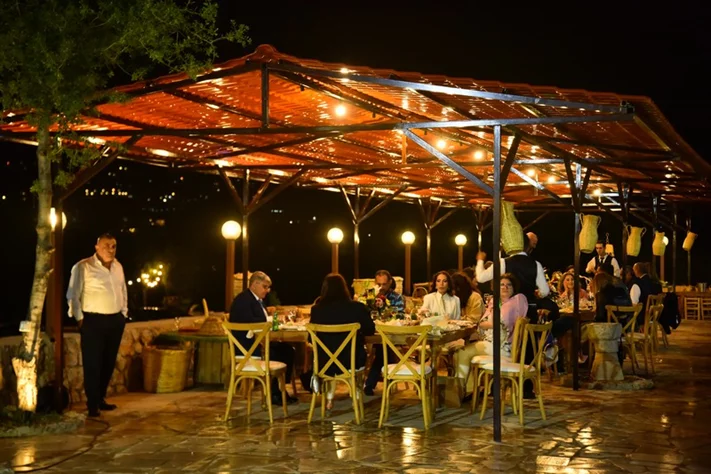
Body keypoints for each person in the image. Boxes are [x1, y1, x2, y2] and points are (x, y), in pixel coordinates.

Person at [66, 233, 128, 417]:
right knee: (93, 363)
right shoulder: (83, 266)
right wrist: (79, 319)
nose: (110, 249)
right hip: (93, 321)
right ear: (97, 247)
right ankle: (92, 404)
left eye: (113, 246)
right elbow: (73, 295)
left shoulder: (118, 267)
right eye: (106, 245)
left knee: (108, 362)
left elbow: (123, 290)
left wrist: (123, 313)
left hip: (115, 320)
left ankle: (100, 398)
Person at [307, 274, 376, 410]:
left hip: (325, 363)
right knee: (361, 355)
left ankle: (329, 399)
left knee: (331, 355)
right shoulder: (357, 308)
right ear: (345, 288)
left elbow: (310, 338)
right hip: (352, 361)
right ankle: (356, 399)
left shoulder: (316, 310)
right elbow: (370, 330)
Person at [229, 271, 297, 405]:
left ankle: (279, 389)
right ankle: (274, 393)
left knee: (288, 350)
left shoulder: (256, 300)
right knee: (276, 354)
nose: (267, 290)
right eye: (265, 287)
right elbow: (251, 322)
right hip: (247, 348)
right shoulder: (243, 300)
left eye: (268, 287)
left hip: (257, 343)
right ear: (255, 284)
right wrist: (270, 320)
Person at [453, 274, 528, 394]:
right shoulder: (496, 302)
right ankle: (468, 390)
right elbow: (482, 323)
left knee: (462, 353)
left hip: (503, 348)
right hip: (492, 343)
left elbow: (500, 322)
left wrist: (489, 323)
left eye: (509, 285)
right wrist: (489, 323)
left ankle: (460, 392)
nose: (505, 287)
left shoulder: (517, 300)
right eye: (502, 285)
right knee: (459, 353)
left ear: (514, 288)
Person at [363, 269, 404, 395]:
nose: (381, 287)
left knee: (383, 349)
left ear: (390, 282)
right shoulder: (369, 296)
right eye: (378, 284)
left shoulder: (396, 297)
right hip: (372, 332)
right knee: (384, 350)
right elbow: (363, 314)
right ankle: (386, 380)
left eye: (384, 284)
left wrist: (385, 307)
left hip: (391, 333)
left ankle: (370, 383)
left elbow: (399, 316)